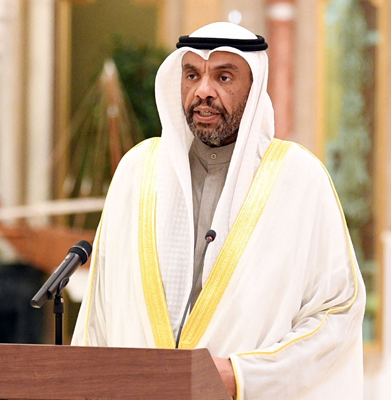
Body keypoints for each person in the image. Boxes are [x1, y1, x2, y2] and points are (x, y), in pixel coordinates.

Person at [72, 22, 366, 400]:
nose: (203, 91)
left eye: (223, 77)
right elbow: (99, 314)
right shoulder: (136, 171)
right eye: (191, 75)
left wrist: (244, 375)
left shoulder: (299, 180)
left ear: (254, 88)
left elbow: (336, 313)